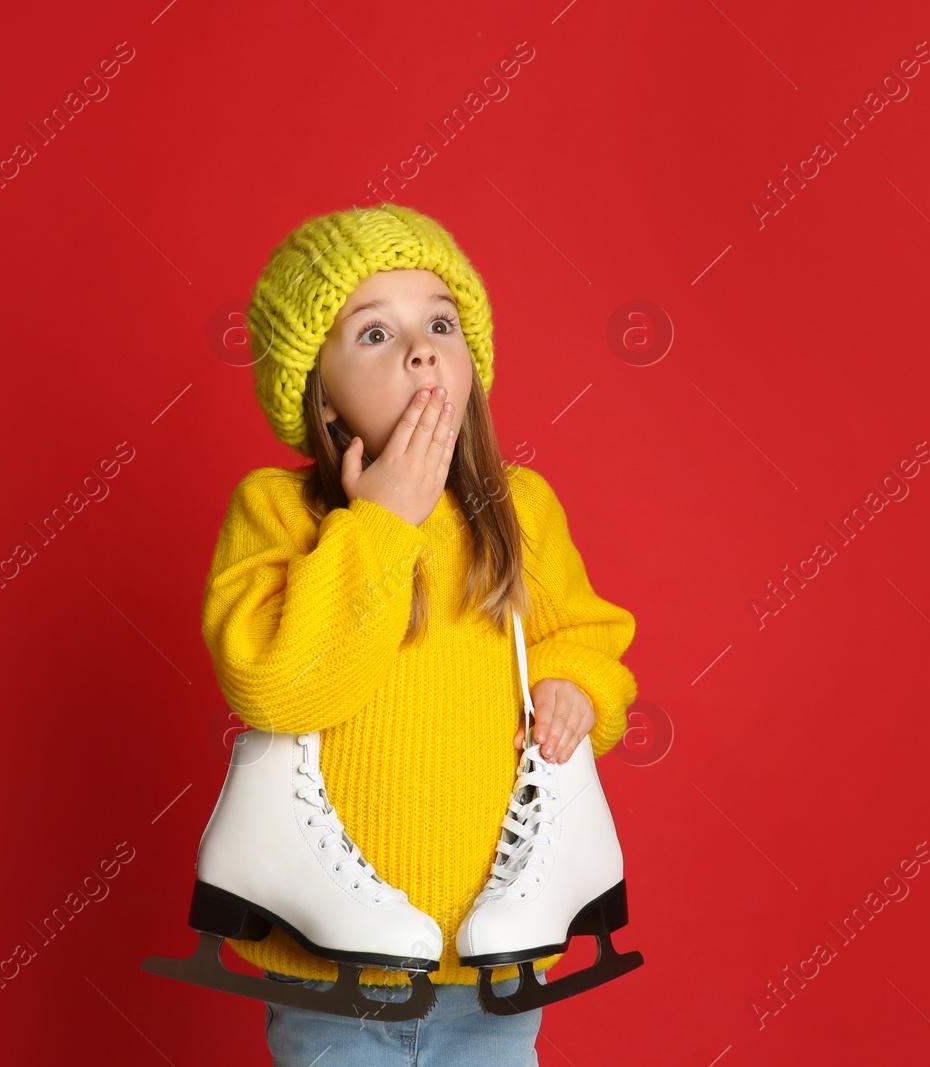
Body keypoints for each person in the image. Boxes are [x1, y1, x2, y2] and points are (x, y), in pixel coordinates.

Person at [200, 203, 638, 1066]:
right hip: (332, 982)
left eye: (440, 322)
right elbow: (281, 686)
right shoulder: (276, 512)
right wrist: (378, 526)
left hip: (492, 971)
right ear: (317, 393)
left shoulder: (519, 507)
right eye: (374, 332)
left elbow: (583, 633)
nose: (419, 348)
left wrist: (573, 684)